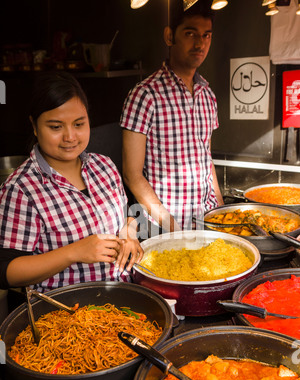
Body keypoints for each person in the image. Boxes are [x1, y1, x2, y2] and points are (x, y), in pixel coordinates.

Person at [0, 72, 143, 292]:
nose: (70, 137)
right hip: (67, 314)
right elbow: (8, 271)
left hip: (124, 298)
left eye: (78, 124)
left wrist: (129, 233)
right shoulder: (21, 189)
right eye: (56, 127)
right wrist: (73, 252)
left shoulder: (103, 166)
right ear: (35, 126)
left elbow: (127, 216)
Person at [120, 0, 223, 234]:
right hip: (162, 227)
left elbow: (206, 159)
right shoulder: (144, 95)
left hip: (205, 220)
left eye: (206, 35)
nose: (200, 43)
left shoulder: (208, 95)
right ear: (169, 36)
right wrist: (173, 228)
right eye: (190, 33)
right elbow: (132, 174)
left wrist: (220, 212)